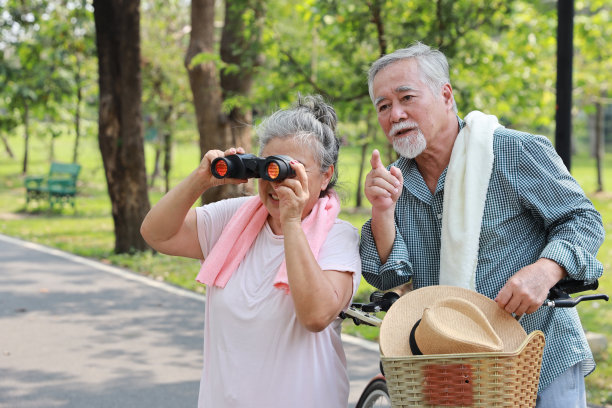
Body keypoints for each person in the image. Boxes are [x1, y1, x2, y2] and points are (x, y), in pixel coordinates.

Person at [359, 42, 604, 408]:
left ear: (446, 95)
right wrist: (382, 211)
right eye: (383, 106)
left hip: (537, 355)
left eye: (406, 97)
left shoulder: (512, 151)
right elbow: (388, 276)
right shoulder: (395, 183)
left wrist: (545, 270)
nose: (395, 114)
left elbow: (583, 218)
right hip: (451, 367)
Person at [140, 94, 362, 407]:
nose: (276, 184)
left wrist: (292, 222)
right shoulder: (234, 218)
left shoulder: (338, 238)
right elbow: (156, 234)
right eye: (270, 168)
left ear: (326, 176)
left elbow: (315, 316)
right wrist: (201, 180)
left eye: (291, 171)